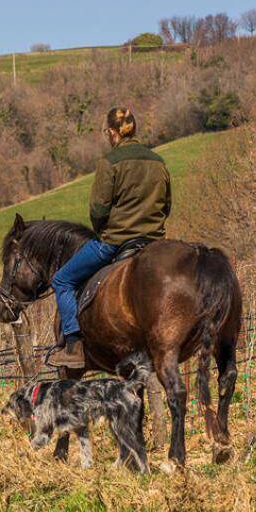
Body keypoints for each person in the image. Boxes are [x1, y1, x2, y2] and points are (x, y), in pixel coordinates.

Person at [48, 107, 171, 369]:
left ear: (113, 133)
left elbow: (99, 210)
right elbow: (167, 205)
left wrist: (102, 230)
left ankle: (73, 345)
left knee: (62, 279)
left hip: (116, 240)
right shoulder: (158, 161)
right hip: (155, 242)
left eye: (107, 132)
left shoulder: (110, 162)